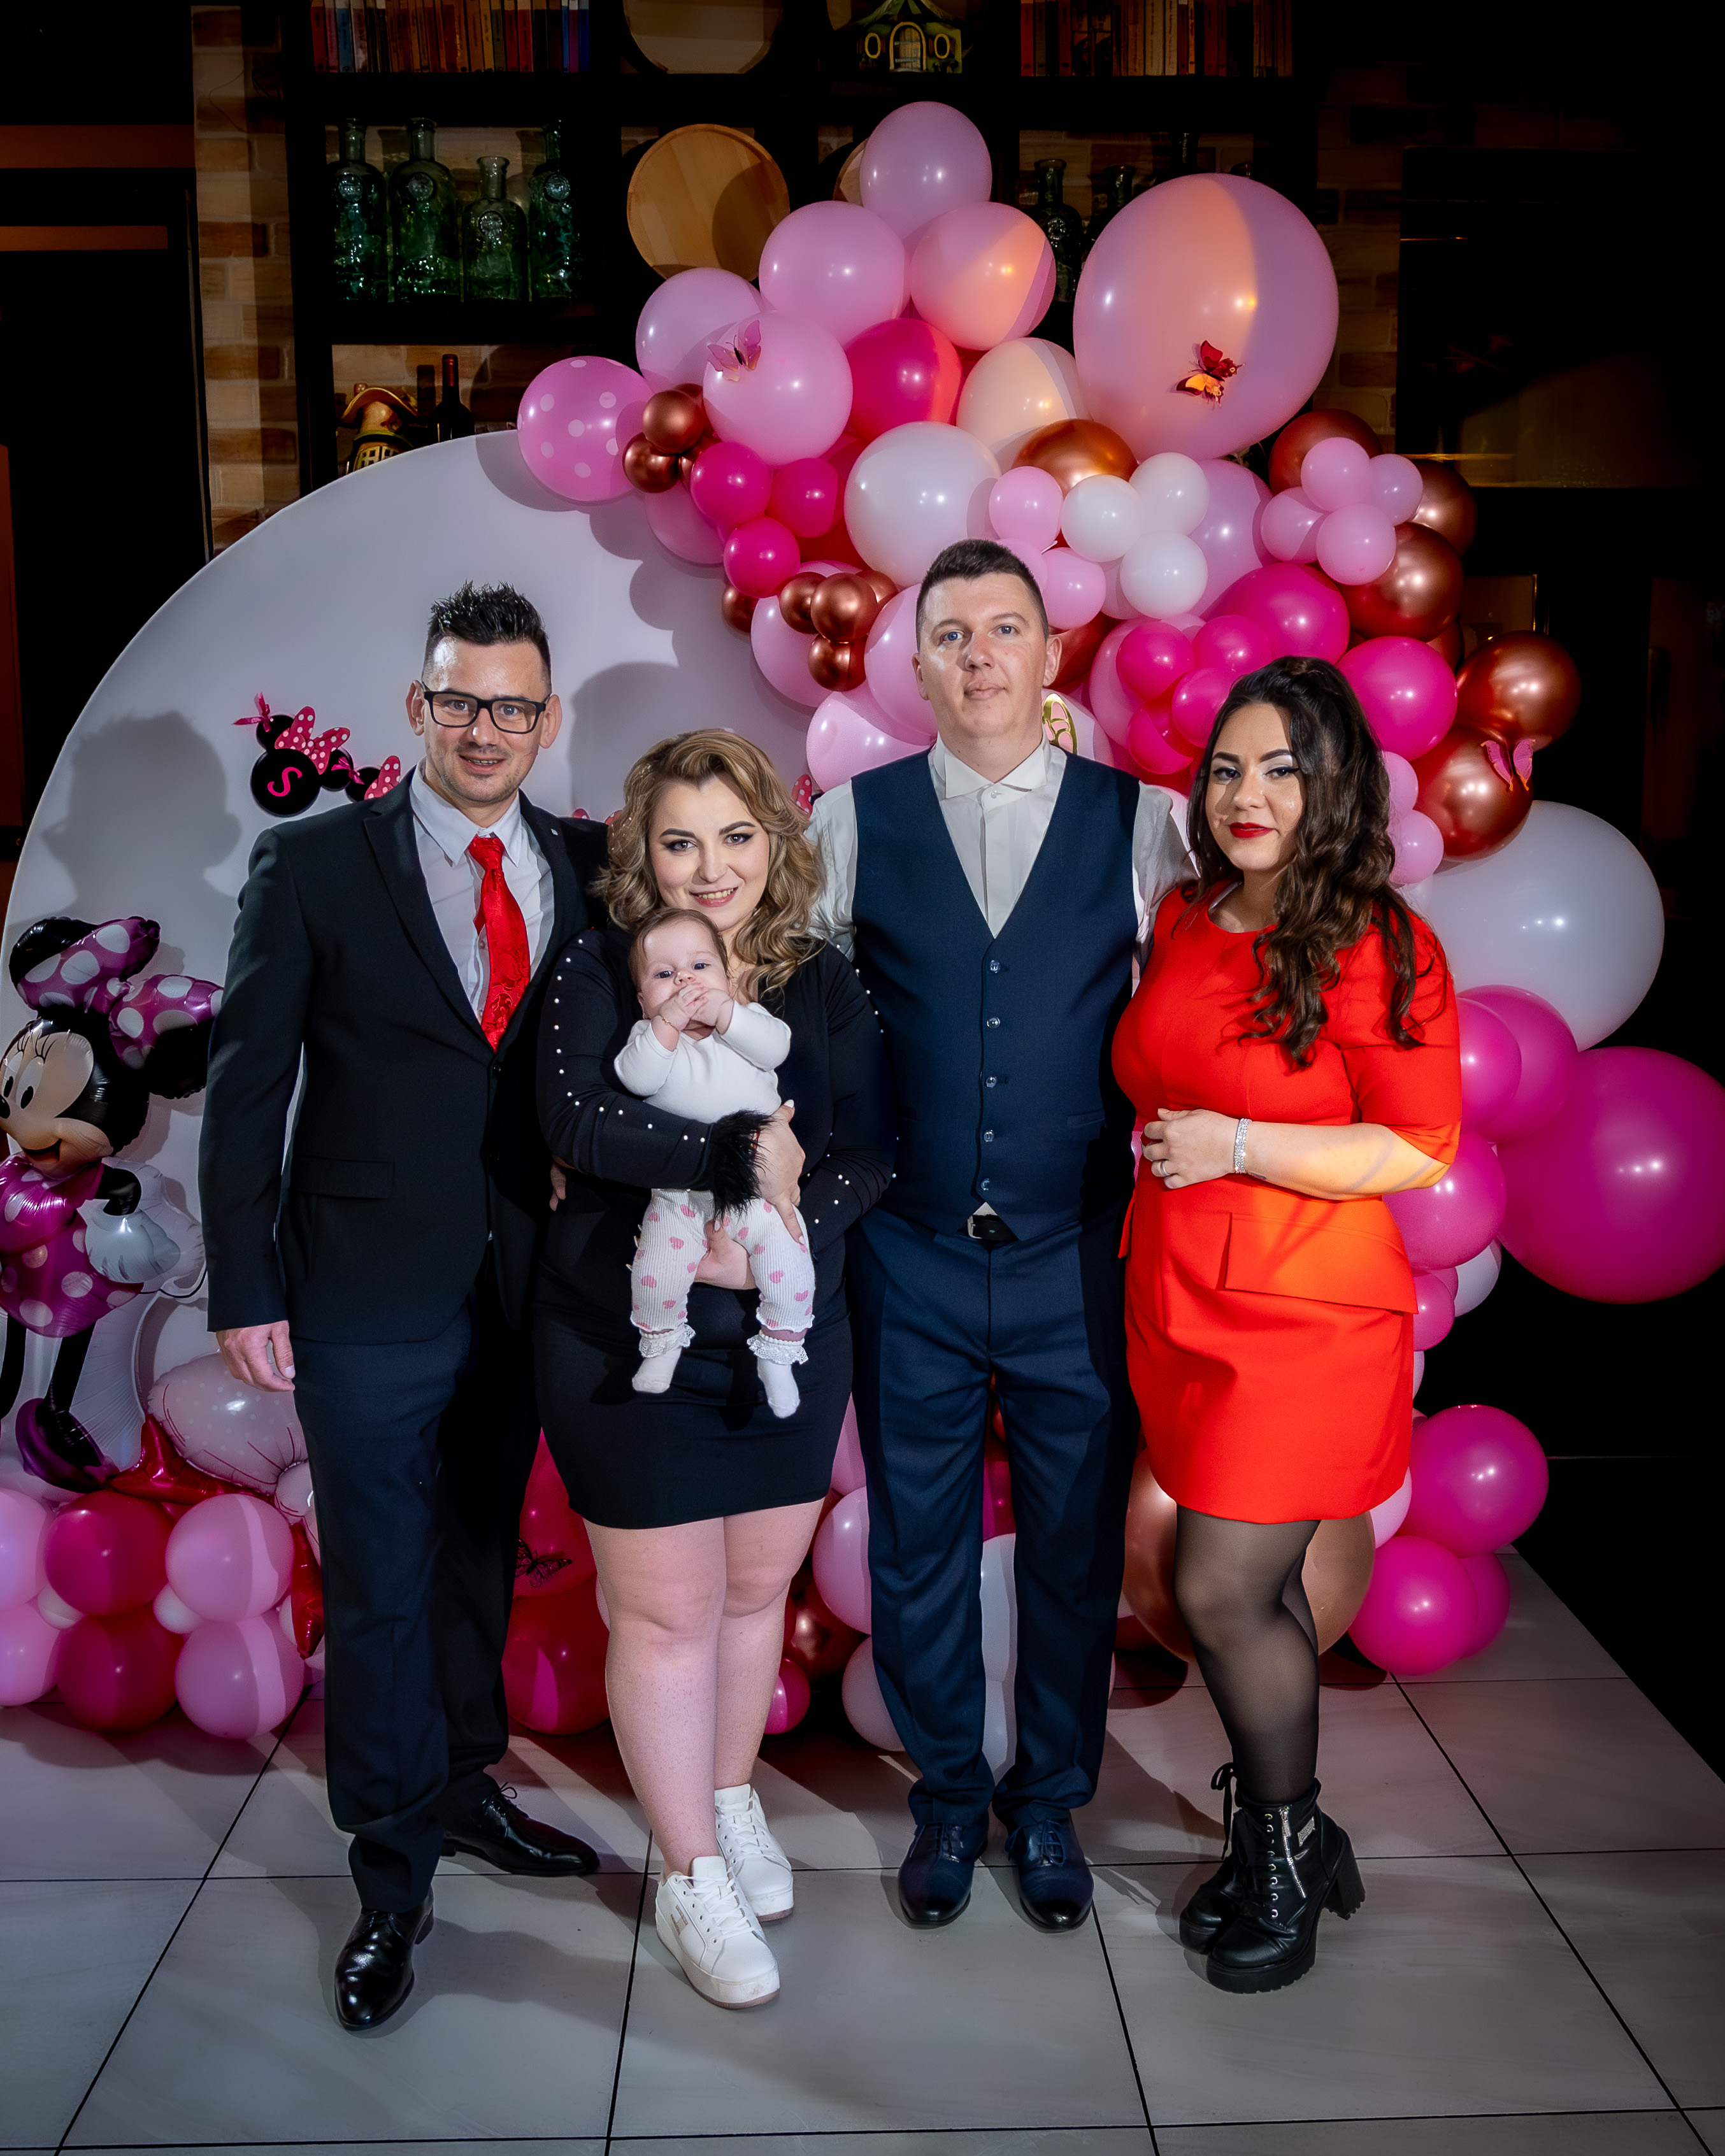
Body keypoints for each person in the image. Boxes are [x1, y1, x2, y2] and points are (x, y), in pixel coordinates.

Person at [200, 582, 605, 2033]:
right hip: (359, 1281)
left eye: (512, 705)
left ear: (545, 719)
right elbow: (249, 1085)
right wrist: (245, 1279)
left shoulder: (590, 862)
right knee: (377, 1579)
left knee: (480, 1551)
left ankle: (463, 1782)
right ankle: (389, 1872)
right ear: (417, 707)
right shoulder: (312, 863)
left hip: (526, 1279)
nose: (484, 728)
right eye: (458, 700)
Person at [810, 538, 1189, 1934]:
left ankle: (1048, 1803)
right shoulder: (849, 820)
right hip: (904, 1250)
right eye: (952, 634)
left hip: (1071, 1252)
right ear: (916, 666)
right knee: (916, 1541)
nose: (978, 656)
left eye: (1004, 629)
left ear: (1051, 655)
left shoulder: (1144, 823)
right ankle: (947, 1797)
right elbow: (797, 1020)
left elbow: (1204, 1010)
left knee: (1071, 1547)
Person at [1113, 655, 1461, 1994]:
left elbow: (1418, 1146)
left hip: (1303, 1314)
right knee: (1223, 1585)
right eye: (1226, 768)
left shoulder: (1384, 943)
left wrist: (1242, 1142)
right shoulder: (1185, 914)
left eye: (1279, 769)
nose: (1244, 794)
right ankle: (1291, 1841)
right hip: (1177, 1295)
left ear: (1334, 788)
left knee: (1221, 1588)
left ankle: (1286, 1856)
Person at [536, 729, 892, 2010]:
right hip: (624, 1340)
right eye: (679, 841)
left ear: (773, 843)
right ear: (643, 851)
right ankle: (687, 1872)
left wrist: (790, 1222)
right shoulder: (602, 964)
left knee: (751, 1599)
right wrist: (742, 1161)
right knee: (664, 1615)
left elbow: (866, 1150)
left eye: (734, 836)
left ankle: (730, 1799)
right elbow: (580, 1119)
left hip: (789, 1337)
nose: (709, 868)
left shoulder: (819, 979)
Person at [615, 908, 815, 1414]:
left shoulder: (745, 1023)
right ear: (642, 999)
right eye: (664, 974)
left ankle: (779, 1353)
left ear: (728, 978)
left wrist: (728, 1013)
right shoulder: (649, 1039)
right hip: (680, 1194)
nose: (685, 980)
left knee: (791, 1264)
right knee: (654, 1271)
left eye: (700, 966)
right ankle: (661, 1344)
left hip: (757, 1190)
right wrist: (666, 1024)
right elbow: (637, 1079)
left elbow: (777, 1048)